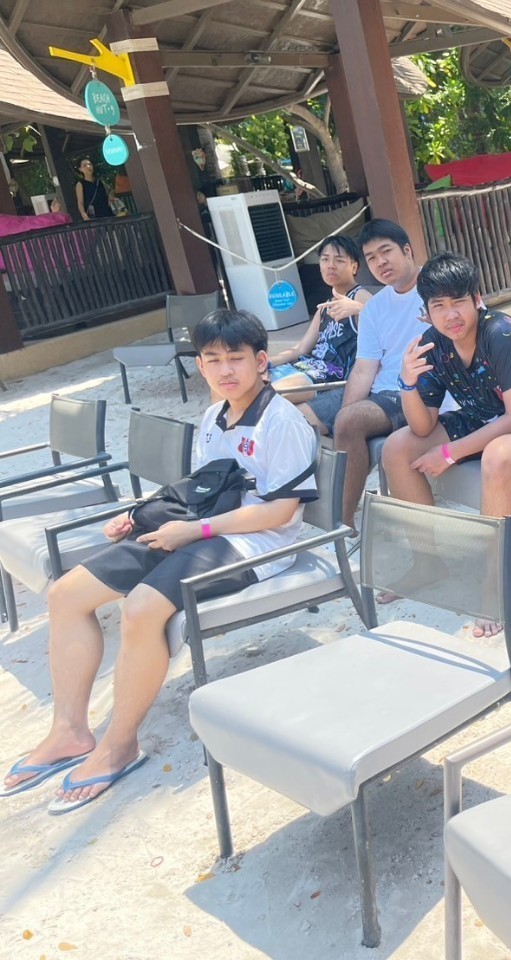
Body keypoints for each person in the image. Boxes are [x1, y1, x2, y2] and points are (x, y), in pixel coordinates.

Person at [2, 309, 318, 813]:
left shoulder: (282, 422)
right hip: (200, 530)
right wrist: (140, 516)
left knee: (142, 607)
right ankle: (70, 730)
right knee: (66, 595)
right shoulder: (214, 418)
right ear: (200, 366)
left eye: (236, 358)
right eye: (212, 359)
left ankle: (119, 744)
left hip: (257, 545)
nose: (225, 370)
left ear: (261, 361)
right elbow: (203, 488)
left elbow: (281, 511)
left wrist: (195, 531)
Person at [380, 252, 511, 620]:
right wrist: (407, 382)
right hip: (484, 417)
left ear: (477, 298)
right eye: (439, 306)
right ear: (426, 312)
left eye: (458, 301)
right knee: (396, 447)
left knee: (498, 455)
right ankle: (427, 562)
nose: (450, 315)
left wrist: (450, 452)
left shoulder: (501, 333)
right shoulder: (434, 343)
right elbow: (422, 427)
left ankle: (494, 584)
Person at [309, 219, 425, 529]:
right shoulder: (375, 308)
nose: (380, 262)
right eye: (372, 257)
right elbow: (363, 369)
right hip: (382, 392)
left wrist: (348, 419)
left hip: (418, 390)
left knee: (350, 421)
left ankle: (341, 524)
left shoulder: (436, 288)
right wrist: (345, 413)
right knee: (311, 418)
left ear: (407, 250)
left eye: (386, 251)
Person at [268, 234, 372, 405]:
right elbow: (300, 348)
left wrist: (359, 309)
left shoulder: (360, 296)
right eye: (325, 259)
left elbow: (385, 324)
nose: (331, 265)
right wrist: (266, 363)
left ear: (354, 267)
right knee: (246, 384)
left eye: (339, 260)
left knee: (266, 396)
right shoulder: (325, 306)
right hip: (305, 366)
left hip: (330, 374)